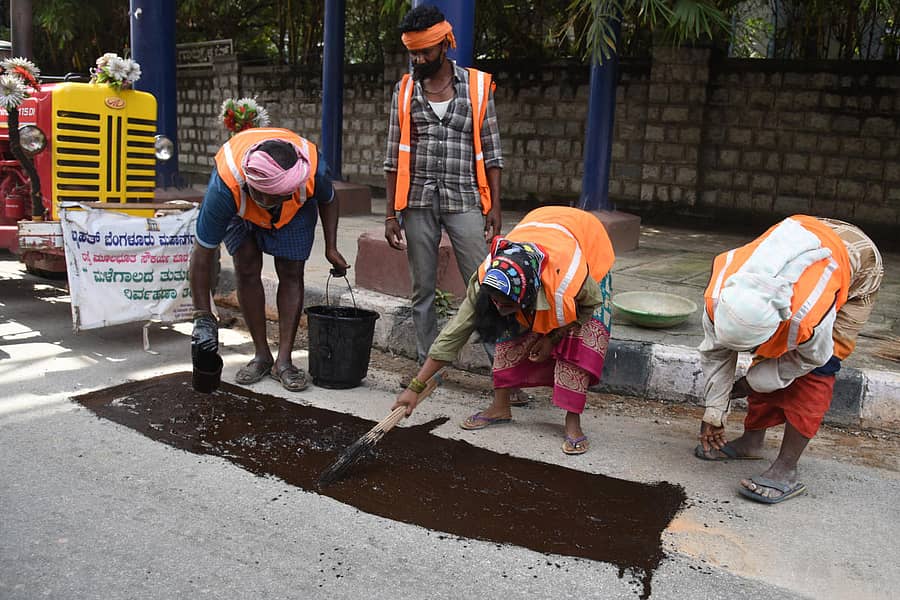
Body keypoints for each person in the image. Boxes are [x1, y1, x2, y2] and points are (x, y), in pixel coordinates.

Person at [383, 5, 532, 402]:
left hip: (465, 197)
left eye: (424, 52)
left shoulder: (477, 87)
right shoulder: (404, 91)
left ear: (444, 45)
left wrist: (495, 207)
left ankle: (505, 376)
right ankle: (427, 373)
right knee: (422, 290)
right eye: (413, 53)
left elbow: (493, 153)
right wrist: (389, 213)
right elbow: (392, 156)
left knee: (488, 286)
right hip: (416, 201)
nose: (418, 59)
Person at [392, 206, 615, 455]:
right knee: (503, 324)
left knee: (579, 338)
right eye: (496, 301)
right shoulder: (488, 279)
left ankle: (572, 421)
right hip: (540, 226)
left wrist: (552, 338)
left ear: (530, 295)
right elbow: (453, 335)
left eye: (507, 304)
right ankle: (500, 407)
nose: (500, 307)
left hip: (587, 241)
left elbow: (588, 306)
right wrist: (415, 388)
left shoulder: (568, 282)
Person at [695, 215, 883, 504]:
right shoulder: (719, 296)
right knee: (769, 354)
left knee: (816, 373)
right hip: (806, 230)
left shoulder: (806, 317)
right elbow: (716, 353)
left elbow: (811, 359)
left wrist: (751, 382)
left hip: (857, 260)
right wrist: (715, 410)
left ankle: (786, 469)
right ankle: (752, 441)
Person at [190, 127, 349, 392]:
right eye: (260, 193)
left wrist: (331, 248)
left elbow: (329, 199)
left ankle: (283, 361)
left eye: (273, 196)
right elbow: (202, 253)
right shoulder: (225, 186)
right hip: (238, 209)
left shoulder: (311, 172)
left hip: (294, 212)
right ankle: (261, 355)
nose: (264, 202)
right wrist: (203, 317)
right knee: (246, 268)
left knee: (291, 271)